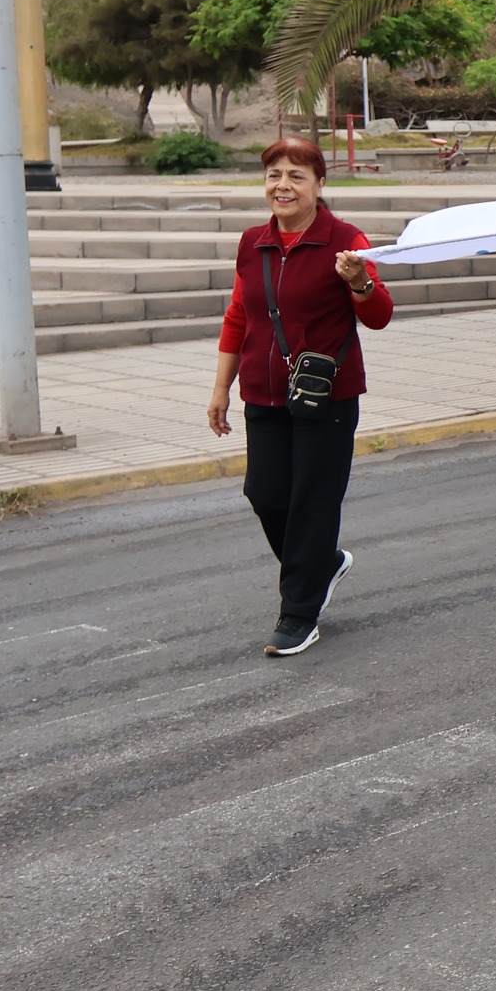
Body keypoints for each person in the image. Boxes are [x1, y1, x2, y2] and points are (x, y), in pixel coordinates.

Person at [208, 137, 394, 657]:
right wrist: (221, 387)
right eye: (274, 175)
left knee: (312, 500)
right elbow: (239, 316)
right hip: (263, 393)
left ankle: (299, 614)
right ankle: (323, 565)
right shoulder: (253, 242)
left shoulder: (345, 240)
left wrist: (359, 281)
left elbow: (378, 315)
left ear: (319, 185)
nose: (283, 185)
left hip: (326, 397)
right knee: (265, 495)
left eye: (296, 176)